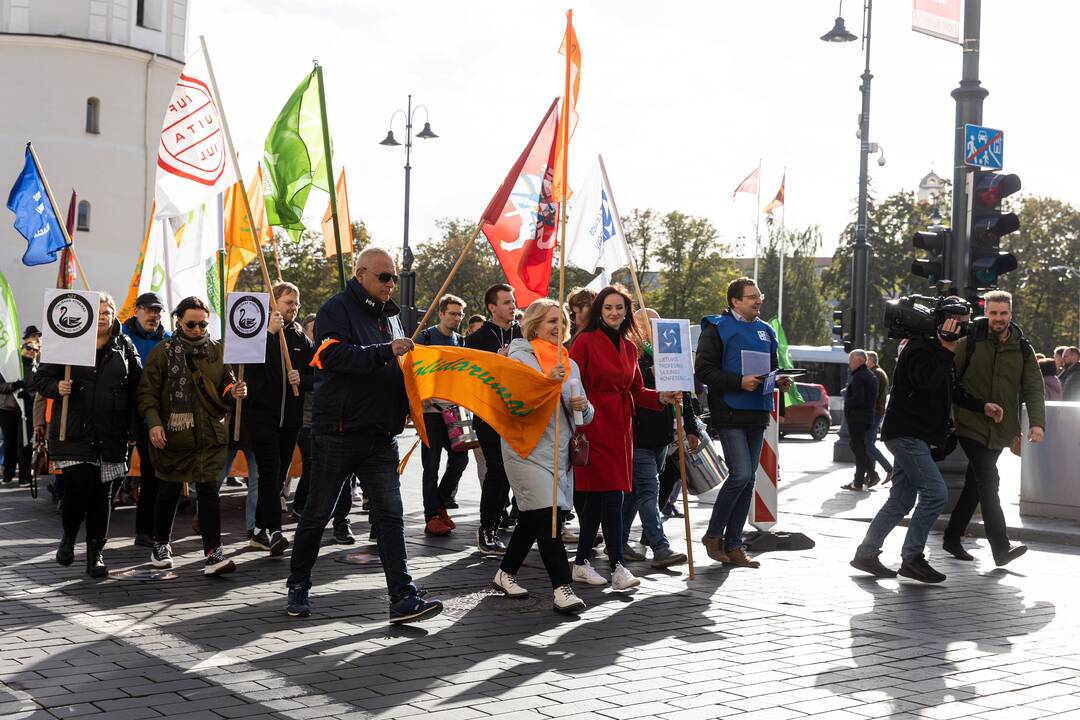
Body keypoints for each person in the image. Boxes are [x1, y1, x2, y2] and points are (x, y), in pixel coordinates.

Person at [286, 247, 442, 624]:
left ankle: (403, 597)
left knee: (390, 516)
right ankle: (298, 584)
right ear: (361, 275)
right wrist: (385, 351)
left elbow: (397, 366)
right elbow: (334, 357)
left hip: (380, 436)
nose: (391, 284)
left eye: (393, 277)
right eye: (384, 277)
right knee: (317, 513)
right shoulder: (334, 310)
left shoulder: (393, 317)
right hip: (337, 433)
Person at [850, 298, 1004, 583]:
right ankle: (912, 558)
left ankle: (866, 554)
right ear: (948, 322)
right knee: (936, 493)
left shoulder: (935, 348)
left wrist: (982, 405)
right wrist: (946, 349)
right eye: (963, 322)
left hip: (912, 435)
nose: (967, 328)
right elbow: (927, 384)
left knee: (901, 500)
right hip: (907, 435)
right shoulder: (920, 348)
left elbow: (951, 388)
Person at [569, 284, 678, 590]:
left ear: (627, 312)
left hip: (622, 427)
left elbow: (636, 392)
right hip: (593, 423)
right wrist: (579, 419)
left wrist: (663, 397)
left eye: (620, 308)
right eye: (608, 308)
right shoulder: (585, 341)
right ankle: (617, 566)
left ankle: (580, 563)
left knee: (598, 500)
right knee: (612, 496)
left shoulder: (630, 347)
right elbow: (572, 384)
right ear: (599, 311)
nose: (615, 312)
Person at [492, 298, 593, 614]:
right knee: (549, 518)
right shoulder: (518, 360)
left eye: (562, 322)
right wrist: (547, 385)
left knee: (532, 518)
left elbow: (585, 415)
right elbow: (514, 407)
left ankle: (505, 573)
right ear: (534, 324)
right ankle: (562, 589)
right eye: (551, 321)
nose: (558, 327)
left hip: (558, 453)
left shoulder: (569, 363)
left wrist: (584, 408)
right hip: (525, 450)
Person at [137, 296, 246, 577]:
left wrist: (233, 391)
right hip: (173, 435)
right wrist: (153, 424)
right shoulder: (162, 352)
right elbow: (146, 393)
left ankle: (213, 553)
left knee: (210, 492)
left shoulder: (218, 351)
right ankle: (160, 544)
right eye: (191, 324)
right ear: (178, 322)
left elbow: (225, 383)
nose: (198, 329)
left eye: (203, 324)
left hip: (209, 434)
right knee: (170, 490)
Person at [34, 293, 141, 577]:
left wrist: (133, 428)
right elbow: (41, 379)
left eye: (109, 311)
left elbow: (137, 389)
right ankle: (69, 537)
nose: (104, 316)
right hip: (75, 431)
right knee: (77, 490)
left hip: (112, 433)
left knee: (103, 496)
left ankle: (96, 555)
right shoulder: (66, 343)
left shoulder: (124, 345)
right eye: (99, 312)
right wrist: (57, 387)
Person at [943, 292, 1045, 566]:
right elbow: (951, 379)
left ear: (1011, 314)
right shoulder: (970, 341)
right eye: (993, 313)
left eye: (1003, 313)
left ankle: (952, 536)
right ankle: (1000, 546)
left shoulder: (1023, 348)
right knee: (989, 480)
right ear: (986, 312)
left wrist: (1036, 422)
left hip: (1001, 429)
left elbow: (1034, 386)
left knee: (975, 486)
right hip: (970, 423)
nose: (998, 319)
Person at [695, 277, 790, 568]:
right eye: (751, 297)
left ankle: (734, 545)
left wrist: (780, 382)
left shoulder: (766, 331)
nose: (758, 301)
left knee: (749, 480)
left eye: (759, 296)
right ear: (735, 301)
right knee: (740, 475)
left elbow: (771, 369)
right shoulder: (716, 328)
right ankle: (713, 536)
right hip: (730, 411)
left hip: (758, 411)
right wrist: (739, 381)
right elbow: (704, 371)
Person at [243, 282, 316, 555]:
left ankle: (259, 530)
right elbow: (246, 369)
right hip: (262, 416)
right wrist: (270, 335)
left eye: (296, 303)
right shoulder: (256, 331)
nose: (293, 308)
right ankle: (275, 531)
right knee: (269, 471)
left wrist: (304, 379)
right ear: (273, 303)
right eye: (288, 302)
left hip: (291, 420)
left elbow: (317, 374)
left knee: (277, 476)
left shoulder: (300, 337)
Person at [621, 308, 695, 569]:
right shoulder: (631, 353)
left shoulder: (669, 354)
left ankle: (617, 541)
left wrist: (692, 427)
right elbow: (634, 391)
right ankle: (660, 547)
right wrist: (652, 372)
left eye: (658, 323)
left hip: (662, 436)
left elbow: (683, 392)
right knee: (648, 491)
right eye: (648, 324)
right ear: (636, 327)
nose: (655, 329)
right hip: (639, 435)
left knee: (632, 494)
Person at [464, 283, 523, 556]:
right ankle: (487, 528)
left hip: (518, 416)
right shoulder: (478, 338)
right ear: (492, 307)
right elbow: (471, 377)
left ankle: (508, 523)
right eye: (506, 302)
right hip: (489, 416)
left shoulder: (521, 334)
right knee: (497, 470)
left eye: (513, 301)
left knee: (512, 473)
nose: (512, 306)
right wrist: (495, 362)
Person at [415, 294, 469, 534]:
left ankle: (438, 503)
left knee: (460, 459)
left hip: (454, 411)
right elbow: (412, 368)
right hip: (430, 412)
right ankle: (431, 516)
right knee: (432, 464)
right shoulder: (425, 337)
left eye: (459, 314)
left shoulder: (461, 341)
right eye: (452, 313)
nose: (456, 318)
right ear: (441, 314)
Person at [121, 292, 171, 547]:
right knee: (115, 476)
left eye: (158, 311)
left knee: (155, 475)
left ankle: (146, 530)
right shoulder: (120, 338)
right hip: (125, 415)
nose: (155, 315)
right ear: (136, 310)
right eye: (150, 310)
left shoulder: (168, 339)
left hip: (156, 418)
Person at [840, 350, 877, 492]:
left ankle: (859, 481)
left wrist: (847, 402)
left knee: (859, 448)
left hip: (858, 418)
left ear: (859, 361)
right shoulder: (869, 375)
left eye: (851, 360)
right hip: (866, 417)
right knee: (856, 446)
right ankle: (871, 475)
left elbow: (858, 399)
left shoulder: (859, 377)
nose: (849, 363)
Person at [863, 351, 893, 487]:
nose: (864, 362)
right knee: (870, 443)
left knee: (867, 444)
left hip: (873, 413)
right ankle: (871, 475)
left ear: (871, 360)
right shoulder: (880, 372)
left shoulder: (874, 373)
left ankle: (889, 469)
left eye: (866, 359)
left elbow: (872, 396)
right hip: (878, 412)